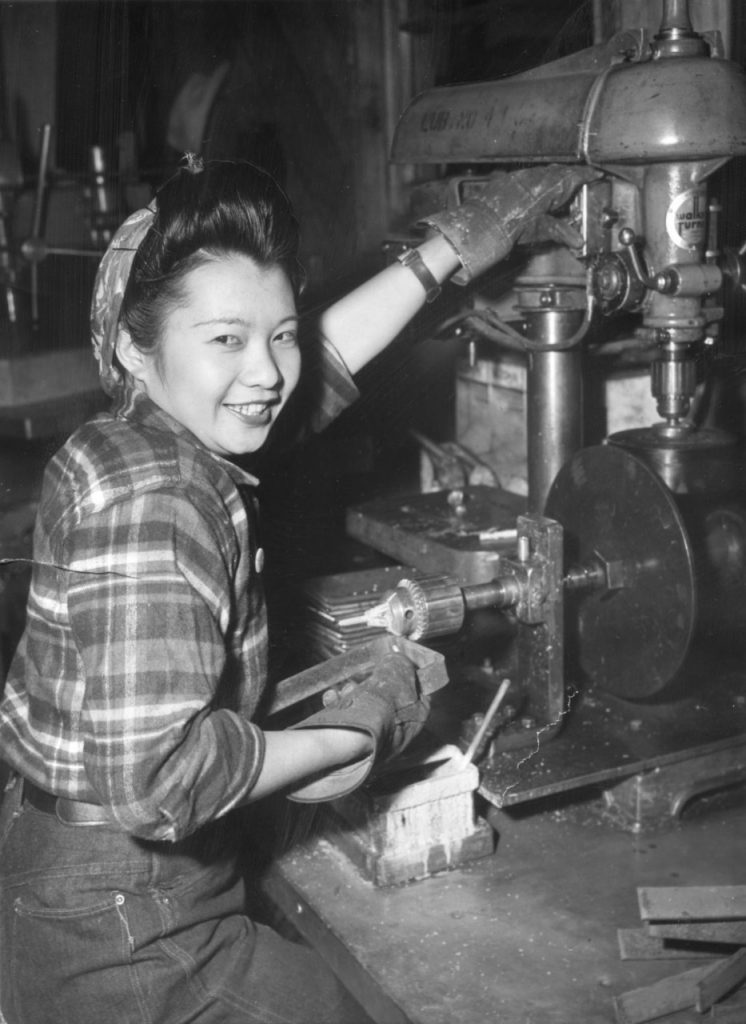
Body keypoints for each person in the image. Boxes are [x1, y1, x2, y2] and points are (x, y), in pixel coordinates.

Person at [0, 156, 595, 1024]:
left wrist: (449, 252)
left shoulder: (136, 437)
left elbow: (310, 363)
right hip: (128, 928)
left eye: (279, 332)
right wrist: (353, 732)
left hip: (70, 876)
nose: (268, 372)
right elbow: (155, 782)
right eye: (227, 340)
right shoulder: (161, 500)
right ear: (135, 343)